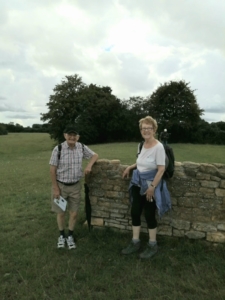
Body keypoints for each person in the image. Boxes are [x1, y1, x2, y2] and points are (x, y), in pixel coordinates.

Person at [122, 116, 171, 259]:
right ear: (141, 130)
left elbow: (161, 169)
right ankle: (135, 242)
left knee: (149, 214)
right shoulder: (141, 145)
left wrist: (152, 187)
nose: (146, 131)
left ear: (154, 130)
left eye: (149, 128)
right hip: (138, 182)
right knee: (135, 211)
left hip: (151, 184)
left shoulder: (159, 147)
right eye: (143, 128)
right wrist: (130, 167)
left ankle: (152, 244)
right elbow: (141, 162)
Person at [49, 125, 98, 249]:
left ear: (78, 137)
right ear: (65, 136)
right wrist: (55, 188)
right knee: (61, 213)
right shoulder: (58, 149)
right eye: (69, 135)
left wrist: (89, 166)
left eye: (74, 135)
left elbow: (95, 155)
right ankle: (62, 235)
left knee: (74, 213)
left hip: (75, 186)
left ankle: (70, 235)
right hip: (61, 186)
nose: (72, 137)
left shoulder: (81, 147)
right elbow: (52, 169)